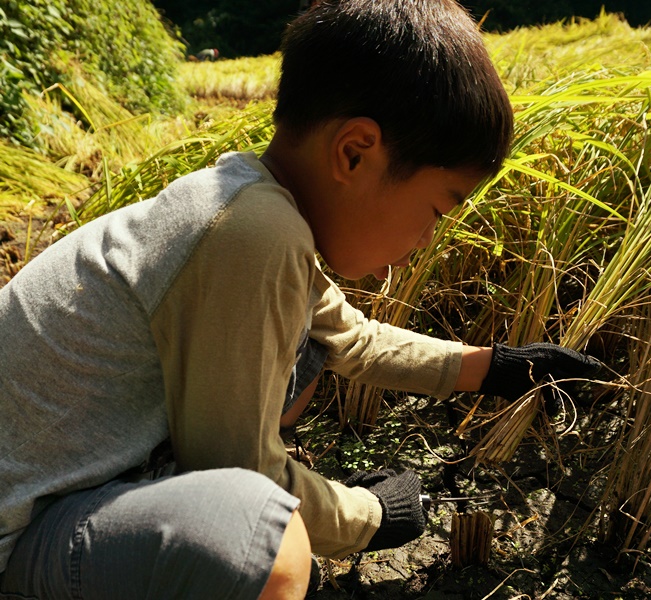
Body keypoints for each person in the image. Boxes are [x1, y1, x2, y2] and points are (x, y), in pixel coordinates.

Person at [0, 0, 599, 598]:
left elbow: (350, 338)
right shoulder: (257, 234)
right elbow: (239, 472)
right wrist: (370, 515)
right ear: (355, 152)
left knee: (303, 359)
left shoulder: (244, 199)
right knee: (269, 545)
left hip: (67, 484)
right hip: (19, 535)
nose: (426, 239)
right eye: (437, 210)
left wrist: (497, 368)